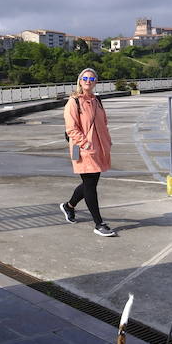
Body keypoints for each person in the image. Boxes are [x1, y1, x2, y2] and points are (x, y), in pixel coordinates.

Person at [59, 68, 117, 237]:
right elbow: (71, 128)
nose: (88, 81)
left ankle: (69, 206)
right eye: (85, 78)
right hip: (83, 148)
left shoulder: (97, 100)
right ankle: (99, 223)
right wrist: (86, 144)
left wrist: (107, 141)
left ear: (96, 82)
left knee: (89, 183)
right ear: (80, 80)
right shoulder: (74, 101)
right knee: (90, 184)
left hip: (99, 148)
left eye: (91, 78)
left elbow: (103, 123)